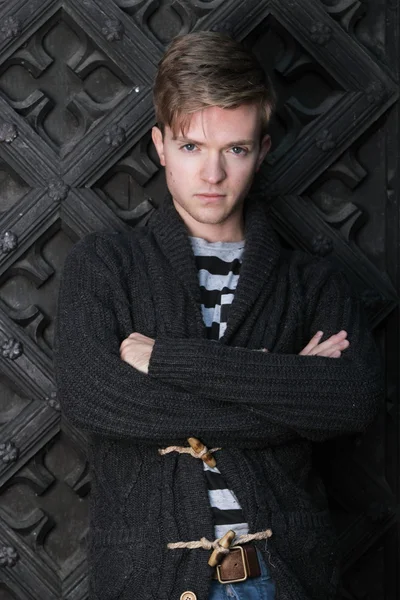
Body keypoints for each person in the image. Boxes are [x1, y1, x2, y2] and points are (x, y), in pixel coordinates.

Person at [54, 32, 383, 600]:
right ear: (159, 145)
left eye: (235, 149)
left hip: (281, 576)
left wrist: (167, 359)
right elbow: (92, 397)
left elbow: (351, 399)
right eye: (191, 148)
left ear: (263, 150)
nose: (212, 175)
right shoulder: (106, 265)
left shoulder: (311, 281)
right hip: (148, 580)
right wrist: (280, 383)